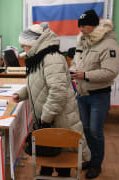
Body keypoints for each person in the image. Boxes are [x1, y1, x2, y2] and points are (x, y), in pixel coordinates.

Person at [12, 23, 90, 177]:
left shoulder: (51, 58)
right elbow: (37, 85)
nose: (23, 49)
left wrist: (45, 118)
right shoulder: (39, 58)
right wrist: (20, 94)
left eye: (24, 45)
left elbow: (58, 92)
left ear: (34, 43)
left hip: (58, 119)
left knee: (62, 165)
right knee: (46, 163)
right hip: (48, 120)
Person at [70, 9, 119, 179]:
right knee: (85, 130)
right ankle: (90, 159)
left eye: (84, 26)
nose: (81, 29)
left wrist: (85, 75)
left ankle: (96, 164)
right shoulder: (83, 42)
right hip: (82, 94)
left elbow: (110, 72)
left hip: (99, 95)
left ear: (94, 25)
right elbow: (76, 62)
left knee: (95, 131)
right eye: (80, 26)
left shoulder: (109, 45)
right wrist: (72, 71)